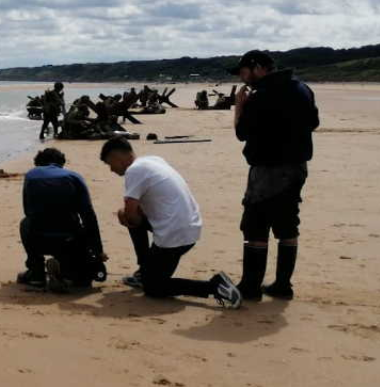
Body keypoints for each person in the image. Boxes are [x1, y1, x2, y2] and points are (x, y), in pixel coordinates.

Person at [99, 137, 241, 308]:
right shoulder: (153, 160)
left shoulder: (134, 171)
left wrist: (128, 216)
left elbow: (131, 214)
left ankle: (214, 286)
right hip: (190, 228)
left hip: (174, 237)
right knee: (130, 216)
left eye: (110, 164)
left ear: (118, 157)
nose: (111, 169)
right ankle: (144, 271)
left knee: (154, 287)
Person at [230, 50, 320, 301]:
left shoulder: (262, 96)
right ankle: (282, 284)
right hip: (297, 167)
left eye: (243, 72)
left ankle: (250, 286)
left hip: (269, 168)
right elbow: (313, 123)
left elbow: (241, 133)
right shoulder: (302, 88)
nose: (242, 78)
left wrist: (239, 107)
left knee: (255, 225)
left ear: (258, 67)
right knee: (287, 225)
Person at [17, 147, 107, 292]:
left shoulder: (31, 176)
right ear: (62, 163)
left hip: (40, 238)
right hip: (70, 240)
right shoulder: (74, 177)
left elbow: (28, 211)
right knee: (81, 280)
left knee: (26, 223)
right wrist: (98, 250)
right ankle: (66, 272)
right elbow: (89, 217)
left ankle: (37, 273)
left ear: (38, 163)